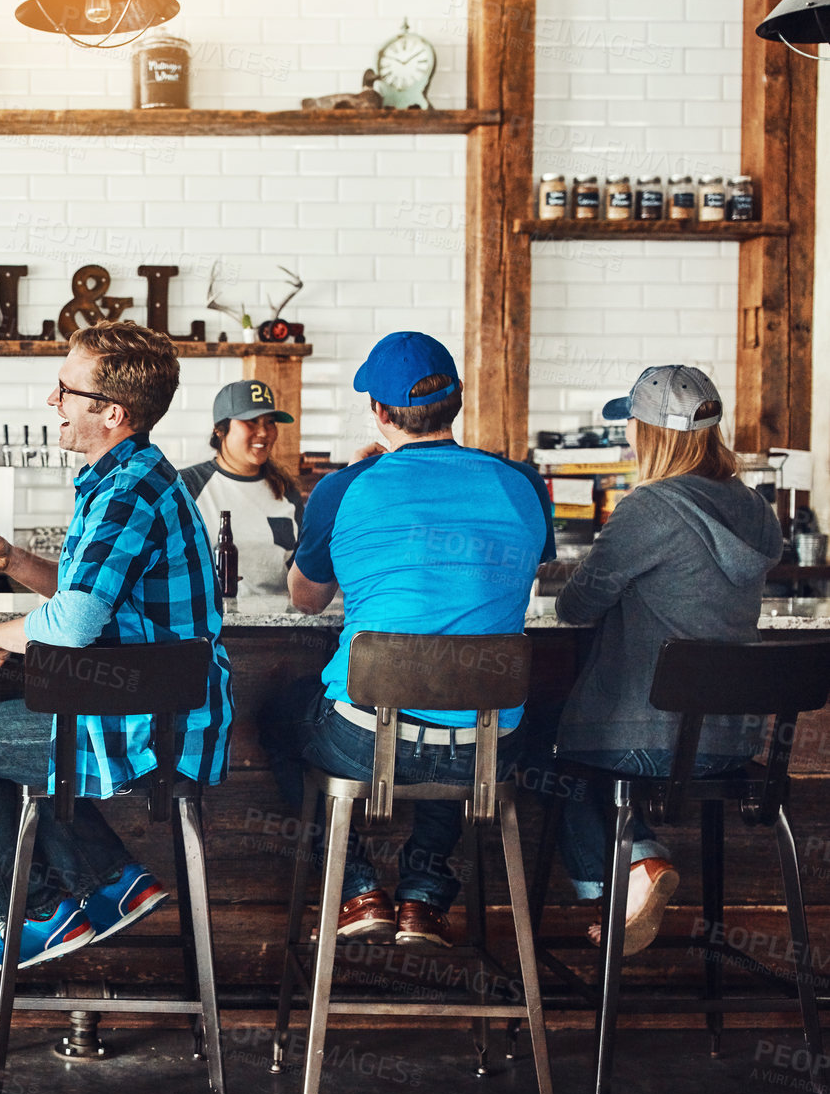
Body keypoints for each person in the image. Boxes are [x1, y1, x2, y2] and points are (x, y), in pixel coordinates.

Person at [0, 320, 234, 970]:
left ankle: (37, 915)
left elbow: (71, 626)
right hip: (146, 710)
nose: (51, 400)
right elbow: (89, 592)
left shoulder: (127, 492)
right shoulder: (128, 477)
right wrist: (11, 560)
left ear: (111, 412)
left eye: (65, 388)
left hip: (149, 727)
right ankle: (112, 882)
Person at [258, 330, 553, 948]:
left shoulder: (343, 489)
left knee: (274, 718)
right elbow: (525, 572)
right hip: (488, 746)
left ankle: (357, 890)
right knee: (463, 715)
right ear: (458, 400)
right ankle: (422, 898)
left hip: (362, 741)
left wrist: (360, 480)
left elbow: (305, 599)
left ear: (381, 413)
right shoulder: (523, 483)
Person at [528, 366, 780, 955]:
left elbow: (575, 608)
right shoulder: (756, 510)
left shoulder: (649, 508)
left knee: (537, 737)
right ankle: (635, 865)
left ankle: (634, 867)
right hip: (734, 742)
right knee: (565, 738)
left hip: (648, 739)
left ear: (653, 435)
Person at [178, 379, 305, 597]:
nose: (264, 432)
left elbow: (301, 569)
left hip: (278, 626)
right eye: (251, 421)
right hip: (209, 626)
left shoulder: (285, 491)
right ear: (220, 429)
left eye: (270, 422)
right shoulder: (187, 486)